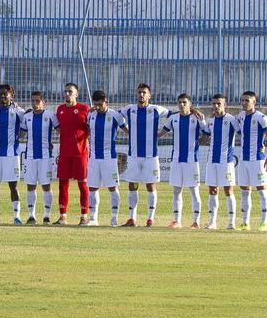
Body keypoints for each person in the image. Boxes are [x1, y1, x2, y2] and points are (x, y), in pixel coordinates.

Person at [119, 83, 170, 227]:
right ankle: (132, 218)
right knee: (132, 186)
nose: (141, 95)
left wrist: (162, 132)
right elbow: (116, 116)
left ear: (149, 95)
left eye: (144, 92)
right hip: (134, 156)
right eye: (139, 92)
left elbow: (174, 115)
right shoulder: (129, 109)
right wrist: (126, 129)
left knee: (150, 186)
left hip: (151, 156)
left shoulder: (156, 109)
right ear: (137, 94)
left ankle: (150, 218)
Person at [165, 93, 206, 229]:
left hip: (191, 161)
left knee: (194, 191)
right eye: (180, 102)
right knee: (176, 190)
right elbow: (161, 132)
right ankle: (177, 220)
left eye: (184, 102)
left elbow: (207, 133)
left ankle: (196, 221)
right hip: (176, 160)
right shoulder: (173, 118)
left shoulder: (197, 118)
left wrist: (204, 120)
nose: (182, 105)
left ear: (190, 104)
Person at [0, 84, 24, 225]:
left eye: (5, 94)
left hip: (12, 154)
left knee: (13, 186)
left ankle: (17, 216)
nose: (2, 96)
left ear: (11, 95)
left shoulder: (19, 111)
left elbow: (30, 119)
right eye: (0, 94)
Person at [85, 90, 126, 227]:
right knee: (92, 188)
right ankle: (93, 218)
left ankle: (114, 218)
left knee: (112, 188)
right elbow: (87, 130)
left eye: (100, 104)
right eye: (95, 104)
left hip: (109, 158)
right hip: (93, 158)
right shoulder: (90, 114)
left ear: (106, 102)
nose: (97, 107)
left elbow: (128, 130)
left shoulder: (115, 116)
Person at [234, 91, 267, 231]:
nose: (244, 103)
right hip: (244, 160)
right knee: (245, 190)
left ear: (254, 102)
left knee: (262, 189)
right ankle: (245, 223)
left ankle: (264, 223)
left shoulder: (261, 117)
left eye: (247, 100)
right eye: (243, 100)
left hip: (257, 160)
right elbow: (240, 132)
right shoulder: (241, 116)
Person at [54, 83, 91, 225]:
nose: (67, 94)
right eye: (66, 91)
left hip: (80, 153)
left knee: (83, 185)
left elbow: (90, 127)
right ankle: (63, 216)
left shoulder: (84, 109)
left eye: (70, 92)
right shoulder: (60, 109)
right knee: (63, 185)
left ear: (76, 94)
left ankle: (84, 216)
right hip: (64, 153)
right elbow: (60, 128)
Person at [20, 90, 58, 224]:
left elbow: (60, 130)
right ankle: (31, 216)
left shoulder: (50, 116)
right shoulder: (27, 117)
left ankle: (47, 216)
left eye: (38, 101)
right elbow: (21, 134)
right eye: (33, 101)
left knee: (46, 186)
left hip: (45, 157)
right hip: (30, 156)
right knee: (30, 186)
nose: (35, 104)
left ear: (43, 102)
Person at [203, 94, 239, 230]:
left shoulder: (231, 120)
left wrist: (261, 144)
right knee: (212, 190)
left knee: (228, 191)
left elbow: (244, 133)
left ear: (225, 105)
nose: (216, 106)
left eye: (219, 103)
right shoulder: (210, 120)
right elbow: (205, 135)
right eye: (213, 104)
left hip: (226, 162)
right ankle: (212, 222)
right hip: (212, 161)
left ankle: (231, 222)